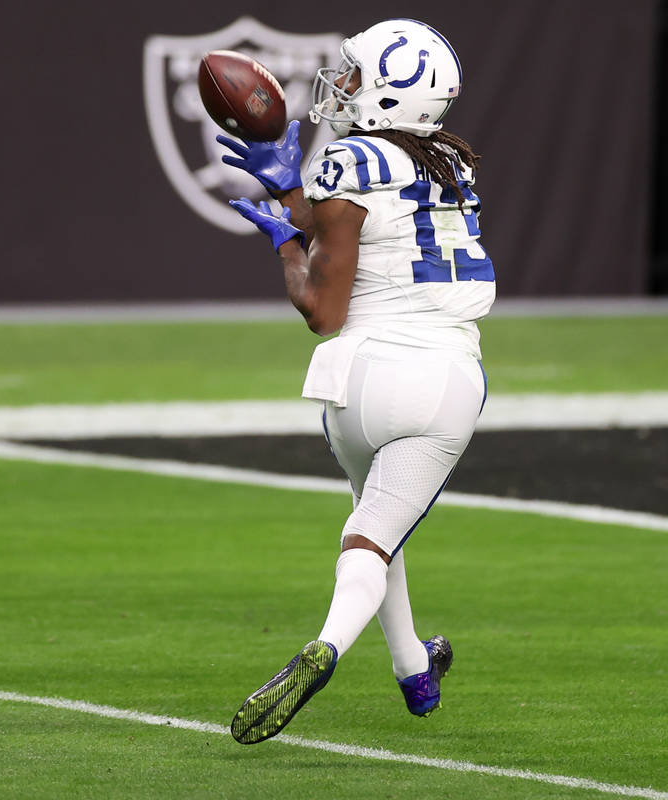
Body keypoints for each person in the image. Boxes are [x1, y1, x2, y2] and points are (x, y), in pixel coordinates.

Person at [216, 18, 494, 744]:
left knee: (376, 523)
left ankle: (414, 672)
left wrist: (285, 228)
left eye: (356, 75)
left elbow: (323, 299)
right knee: (373, 536)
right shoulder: (451, 166)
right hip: (439, 378)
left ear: (391, 94)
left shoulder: (347, 162)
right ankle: (328, 645)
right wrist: (289, 209)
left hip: (354, 384)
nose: (339, 86)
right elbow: (340, 274)